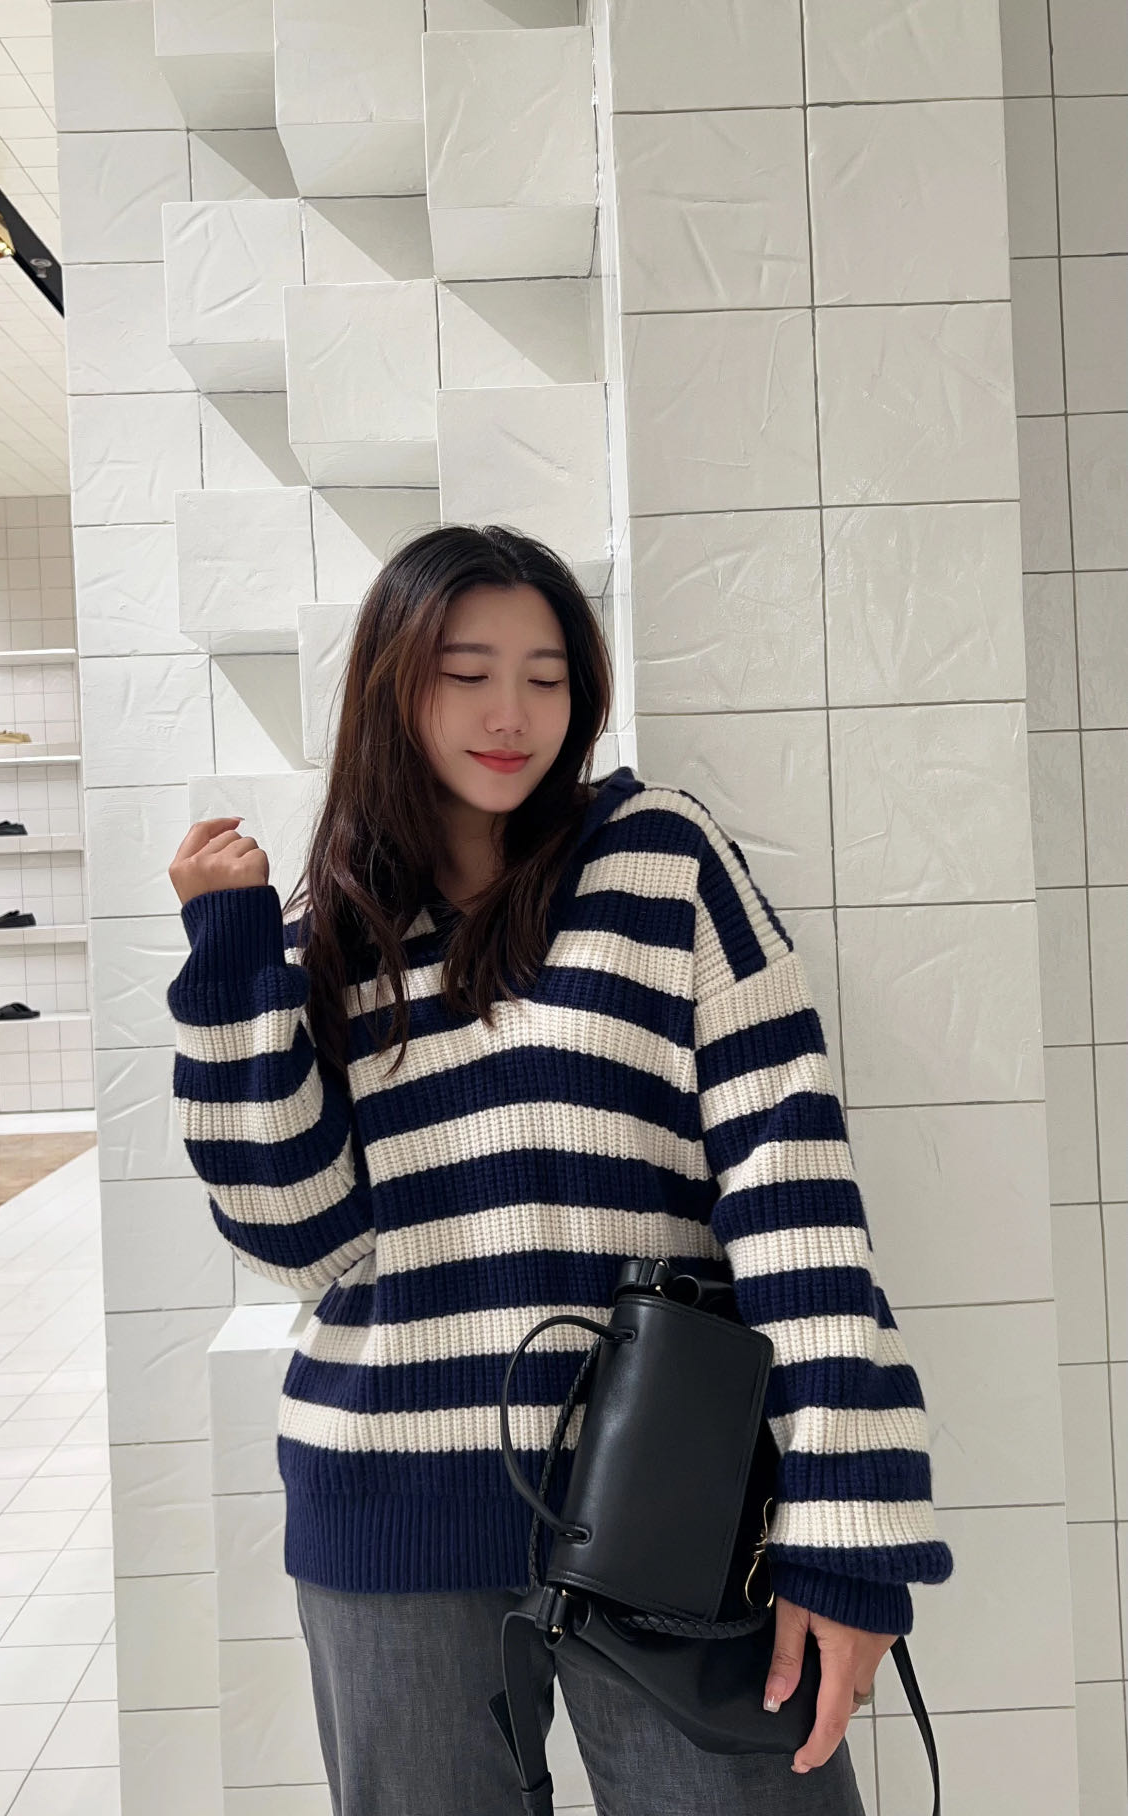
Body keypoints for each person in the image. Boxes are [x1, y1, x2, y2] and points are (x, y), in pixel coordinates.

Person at [166, 523, 953, 1816]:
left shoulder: (659, 860)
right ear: (391, 686)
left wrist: (844, 1515)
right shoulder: (328, 940)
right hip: (390, 1499)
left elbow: (792, 1191)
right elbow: (298, 1241)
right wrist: (231, 952)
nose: (511, 715)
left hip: (671, 1502)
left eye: (546, 676)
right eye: (465, 672)